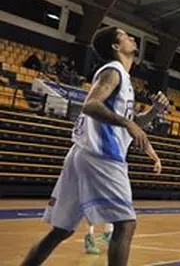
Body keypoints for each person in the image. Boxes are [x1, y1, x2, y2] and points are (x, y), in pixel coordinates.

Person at [20, 26, 168, 266]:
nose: (131, 37)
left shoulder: (123, 78)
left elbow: (131, 121)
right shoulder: (113, 71)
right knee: (126, 223)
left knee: (61, 231)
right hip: (102, 155)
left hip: (81, 154)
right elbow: (90, 105)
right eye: (125, 36)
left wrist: (153, 111)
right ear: (115, 46)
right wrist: (127, 123)